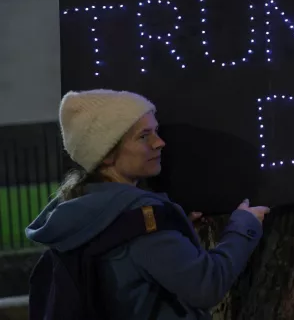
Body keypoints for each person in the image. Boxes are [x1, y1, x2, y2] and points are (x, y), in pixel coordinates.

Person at [26, 89, 270, 319]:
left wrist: (175, 230)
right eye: (144, 136)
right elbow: (206, 285)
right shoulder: (140, 219)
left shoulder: (81, 210)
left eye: (156, 131)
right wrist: (243, 227)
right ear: (107, 154)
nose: (159, 143)